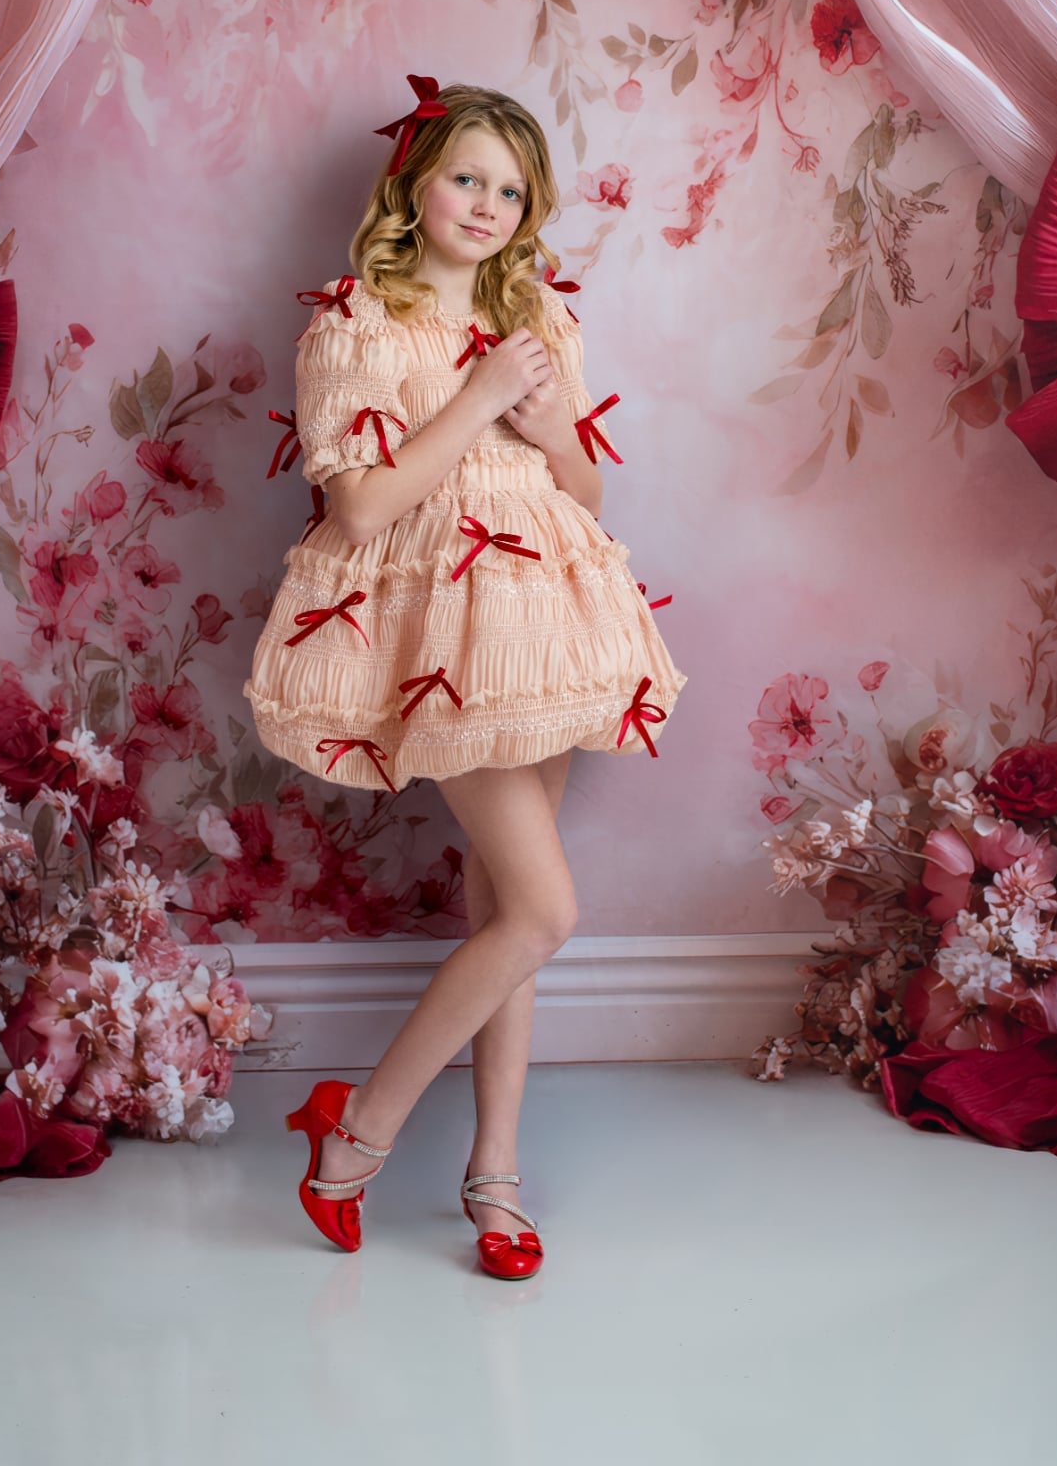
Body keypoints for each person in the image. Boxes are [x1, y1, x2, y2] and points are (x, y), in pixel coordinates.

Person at [244, 78, 686, 1278]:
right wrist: (481, 395)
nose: (486, 203)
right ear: (415, 182)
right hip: (440, 630)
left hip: (541, 617)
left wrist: (545, 425)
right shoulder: (356, 321)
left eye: (509, 187)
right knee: (546, 909)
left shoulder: (535, 310)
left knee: (505, 911)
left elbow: (584, 492)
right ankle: (360, 1121)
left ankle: (493, 1174)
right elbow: (362, 499)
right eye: (465, 177)